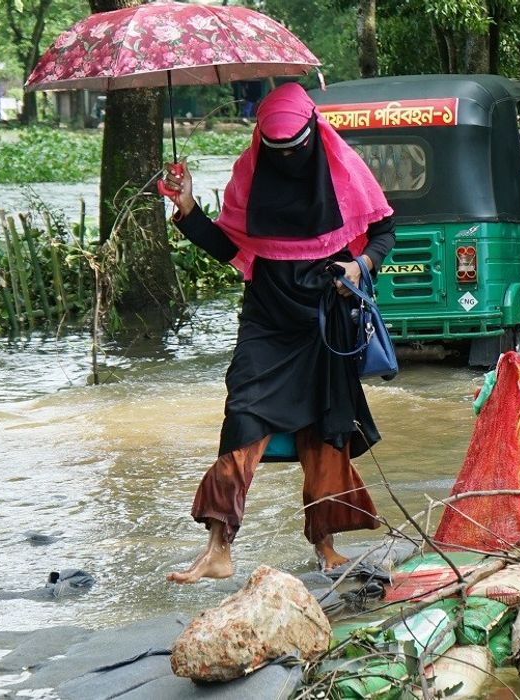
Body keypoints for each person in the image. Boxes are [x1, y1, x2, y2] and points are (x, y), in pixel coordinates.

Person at [161, 82, 395, 584]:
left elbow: (384, 232)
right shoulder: (249, 177)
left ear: (314, 134)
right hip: (266, 321)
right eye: (276, 149)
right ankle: (218, 547)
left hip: (324, 321)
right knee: (242, 414)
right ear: (260, 142)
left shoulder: (342, 171)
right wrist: (186, 208)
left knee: (325, 431)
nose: (287, 158)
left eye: (296, 148)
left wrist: (360, 265)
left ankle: (326, 546)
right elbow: (231, 248)